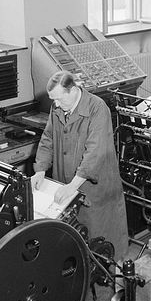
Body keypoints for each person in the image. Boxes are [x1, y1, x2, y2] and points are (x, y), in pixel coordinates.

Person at [32, 71, 129, 261]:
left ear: (74, 90)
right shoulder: (58, 107)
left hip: (96, 191)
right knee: (74, 249)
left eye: (59, 99)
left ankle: (109, 289)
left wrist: (72, 187)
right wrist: (40, 171)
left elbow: (95, 152)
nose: (56, 105)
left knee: (102, 250)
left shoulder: (97, 108)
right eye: (54, 100)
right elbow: (48, 138)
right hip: (67, 185)